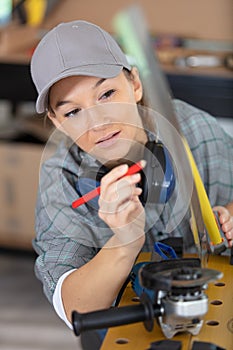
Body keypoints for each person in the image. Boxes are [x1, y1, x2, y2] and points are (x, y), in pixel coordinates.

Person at [30, 20, 233, 330]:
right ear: (57, 122)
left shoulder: (195, 131)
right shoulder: (62, 179)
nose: (97, 122)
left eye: (107, 94)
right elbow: (75, 309)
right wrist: (125, 240)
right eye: (72, 112)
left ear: (135, 85)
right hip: (130, 328)